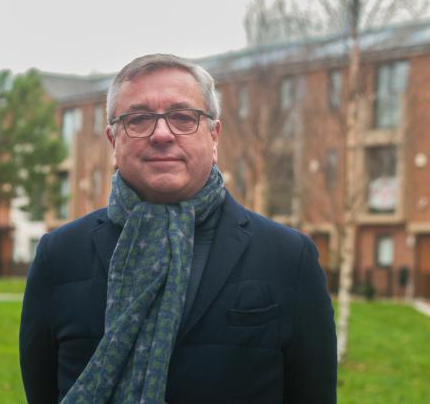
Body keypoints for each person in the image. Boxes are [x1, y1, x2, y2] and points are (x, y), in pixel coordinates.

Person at [19, 54, 337, 403]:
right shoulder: (60, 255)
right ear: (113, 141)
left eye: (183, 117)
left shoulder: (288, 257)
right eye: (138, 119)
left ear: (214, 136)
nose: (161, 134)